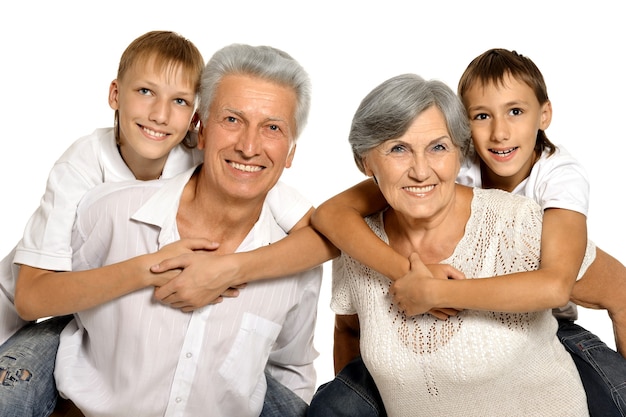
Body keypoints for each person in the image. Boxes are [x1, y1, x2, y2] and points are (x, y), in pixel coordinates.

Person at [3, 32, 332, 416]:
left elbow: (325, 236)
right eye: (231, 119)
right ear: (204, 129)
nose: (248, 146)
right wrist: (151, 269)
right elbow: (30, 298)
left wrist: (229, 268)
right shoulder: (85, 179)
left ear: (191, 122)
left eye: (272, 128)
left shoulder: (234, 175)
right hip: (22, 308)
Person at [310, 49, 626, 416]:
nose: (420, 170)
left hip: (558, 325)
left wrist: (438, 291)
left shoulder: (542, 199)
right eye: (398, 149)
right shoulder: (362, 240)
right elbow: (330, 218)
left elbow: (573, 286)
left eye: (437, 148)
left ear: (456, 150)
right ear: (366, 161)